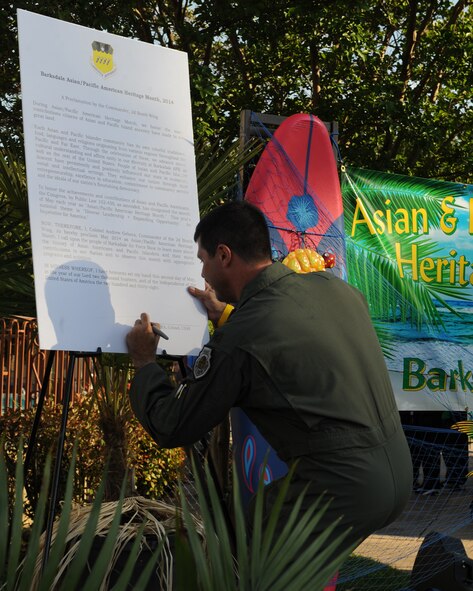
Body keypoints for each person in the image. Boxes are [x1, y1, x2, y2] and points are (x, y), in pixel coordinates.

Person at [126, 200, 413, 555]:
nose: (202, 275)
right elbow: (290, 338)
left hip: (344, 487)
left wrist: (144, 362)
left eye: (203, 261)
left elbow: (172, 425)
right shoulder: (334, 288)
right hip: (398, 474)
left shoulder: (241, 338)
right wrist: (228, 313)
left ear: (224, 255)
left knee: (245, 553)